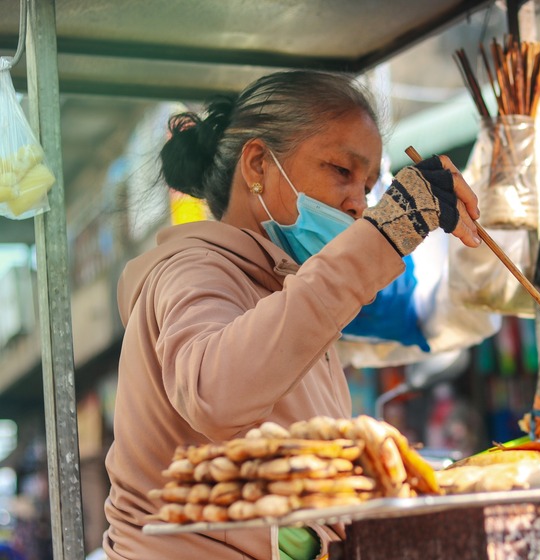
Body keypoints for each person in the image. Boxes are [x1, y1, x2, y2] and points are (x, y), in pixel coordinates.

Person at [102, 70, 481, 560]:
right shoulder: (192, 270)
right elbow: (216, 394)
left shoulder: (285, 286)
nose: (358, 205)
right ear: (258, 164)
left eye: (367, 186)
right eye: (341, 172)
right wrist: (383, 238)